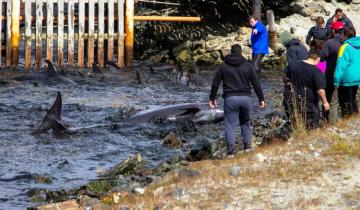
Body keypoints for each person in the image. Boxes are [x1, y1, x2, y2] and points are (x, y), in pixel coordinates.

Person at [209, 44, 265, 156]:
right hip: (246, 98)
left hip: (230, 99)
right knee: (245, 123)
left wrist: (212, 98)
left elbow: (215, 83)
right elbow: (256, 83)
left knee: (230, 125)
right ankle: (247, 149)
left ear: (230, 52)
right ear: (241, 53)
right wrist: (261, 98)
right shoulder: (248, 65)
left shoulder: (223, 66)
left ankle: (230, 153)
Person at [284, 48, 330, 129]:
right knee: (311, 128)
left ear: (308, 56)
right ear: (318, 59)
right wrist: (325, 102)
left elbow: (285, 78)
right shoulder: (317, 71)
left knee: (294, 126)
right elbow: (320, 89)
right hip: (308, 106)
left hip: (291, 102)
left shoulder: (292, 65)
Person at [320, 21, 344, 120]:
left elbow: (322, 60)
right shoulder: (346, 42)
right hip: (345, 76)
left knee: (329, 101)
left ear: (333, 31)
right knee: (341, 101)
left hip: (331, 76)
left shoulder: (329, 43)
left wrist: (320, 75)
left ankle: (329, 122)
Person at [334, 27, 359, 118]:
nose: (341, 37)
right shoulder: (358, 45)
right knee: (352, 99)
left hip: (346, 79)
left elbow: (341, 64)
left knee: (345, 102)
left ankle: (348, 119)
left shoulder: (344, 47)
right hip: (357, 77)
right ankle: (355, 118)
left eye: (342, 34)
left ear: (345, 35)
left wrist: (336, 80)